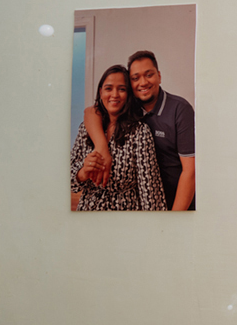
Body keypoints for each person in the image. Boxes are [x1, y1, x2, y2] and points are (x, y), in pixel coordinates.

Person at [83, 50, 196, 210]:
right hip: (140, 204)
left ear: (159, 76)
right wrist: (102, 148)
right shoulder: (129, 107)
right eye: (135, 78)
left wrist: (174, 218)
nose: (142, 83)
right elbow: (90, 112)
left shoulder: (180, 109)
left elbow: (190, 171)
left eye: (149, 75)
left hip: (177, 202)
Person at [70, 65, 166, 211]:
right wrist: (83, 172)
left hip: (124, 213)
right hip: (88, 211)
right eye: (108, 88)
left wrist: (155, 222)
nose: (114, 95)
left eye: (122, 89)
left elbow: (150, 190)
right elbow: (68, 181)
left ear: (128, 94)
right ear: (101, 92)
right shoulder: (86, 128)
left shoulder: (140, 132)